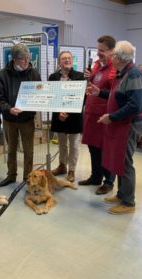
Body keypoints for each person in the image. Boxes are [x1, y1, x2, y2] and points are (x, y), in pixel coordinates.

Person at [91, 40, 142, 214]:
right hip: (120, 123)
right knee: (120, 160)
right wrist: (100, 93)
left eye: (113, 54)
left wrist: (111, 117)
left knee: (125, 162)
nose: (110, 56)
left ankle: (128, 202)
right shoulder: (123, 73)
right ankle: (122, 194)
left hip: (129, 124)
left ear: (120, 57)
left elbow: (134, 105)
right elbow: (118, 96)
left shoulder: (134, 74)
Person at [0, 43, 41, 187]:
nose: (26, 61)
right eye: (22, 58)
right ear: (14, 59)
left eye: (28, 58)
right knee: (11, 150)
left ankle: (28, 179)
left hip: (27, 119)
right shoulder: (3, 74)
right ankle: (11, 175)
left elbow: (39, 93)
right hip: (10, 119)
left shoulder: (33, 73)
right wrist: (9, 109)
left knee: (29, 151)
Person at [80, 35, 117, 195]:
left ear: (111, 51)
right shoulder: (96, 66)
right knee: (93, 147)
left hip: (104, 116)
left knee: (105, 149)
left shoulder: (114, 69)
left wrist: (99, 91)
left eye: (101, 50)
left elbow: (116, 94)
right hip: (91, 114)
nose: (98, 53)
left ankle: (108, 181)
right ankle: (96, 176)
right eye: (98, 50)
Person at [50, 51, 84, 182]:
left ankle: (72, 170)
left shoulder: (79, 76)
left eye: (69, 58)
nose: (67, 60)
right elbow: (52, 95)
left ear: (72, 61)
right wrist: (60, 112)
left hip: (74, 116)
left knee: (74, 145)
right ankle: (62, 166)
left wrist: (68, 112)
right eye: (64, 58)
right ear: (59, 62)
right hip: (59, 117)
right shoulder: (53, 77)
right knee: (62, 144)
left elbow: (82, 97)